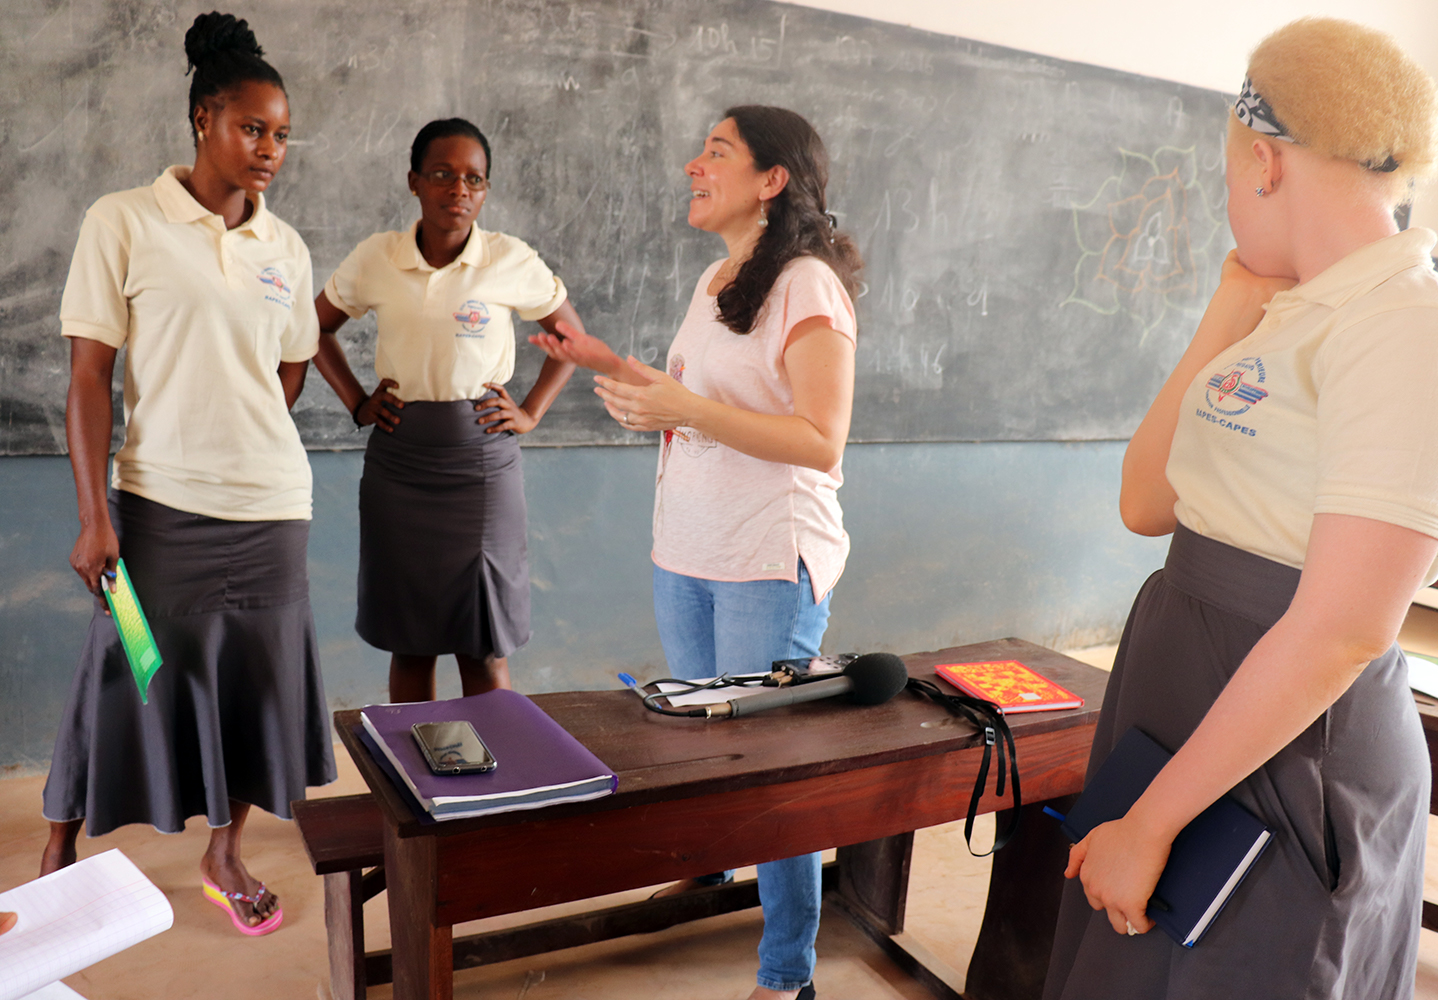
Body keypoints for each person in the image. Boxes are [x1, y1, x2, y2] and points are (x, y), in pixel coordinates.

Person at [1043, 18, 1438, 1000]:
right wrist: (1231, 304)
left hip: (1288, 735)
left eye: (1225, 184)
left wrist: (1154, 822)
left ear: (1262, 162)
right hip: (1190, 695)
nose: (1227, 207)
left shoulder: (1413, 328)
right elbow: (1146, 500)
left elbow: (1339, 628)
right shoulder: (1293, 309)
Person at [531, 106, 861, 1000]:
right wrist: (611, 364)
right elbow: (699, 401)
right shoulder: (718, 279)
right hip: (686, 550)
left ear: (771, 180)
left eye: (716, 152)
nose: (692, 165)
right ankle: (713, 868)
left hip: (764, 559)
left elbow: (820, 439)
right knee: (700, 746)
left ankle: (786, 974)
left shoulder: (806, 286)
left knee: (770, 770)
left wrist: (679, 409)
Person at [39, 12, 336, 936]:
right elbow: (90, 376)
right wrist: (97, 517)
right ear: (205, 117)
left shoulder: (283, 248)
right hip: (156, 512)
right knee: (123, 667)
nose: (270, 150)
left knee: (258, 685)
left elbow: (288, 368)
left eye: (282, 135)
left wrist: (241, 433)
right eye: (253, 128)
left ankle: (223, 849)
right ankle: (57, 852)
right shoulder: (123, 220)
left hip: (273, 512)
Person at [312, 118, 584, 702]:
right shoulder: (378, 257)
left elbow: (571, 339)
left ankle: (494, 787)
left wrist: (531, 412)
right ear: (414, 181)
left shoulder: (508, 258)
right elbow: (313, 330)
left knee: (482, 644)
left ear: (485, 190)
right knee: (410, 642)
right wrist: (358, 402)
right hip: (400, 466)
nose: (458, 189)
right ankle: (416, 779)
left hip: (482, 467)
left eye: (473, 179)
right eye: (442, 175)